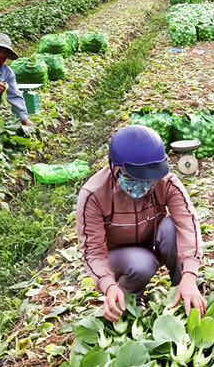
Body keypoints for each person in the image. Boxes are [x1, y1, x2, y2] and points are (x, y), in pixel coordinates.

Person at [76, 125, 206, 321]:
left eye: (150, 179)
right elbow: (92, 250)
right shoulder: (93, 195)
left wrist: (190, 273)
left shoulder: (166, 182)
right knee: (141, 264)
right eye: (135, 178)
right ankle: (130, 299)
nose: (144, 185)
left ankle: (182, 289)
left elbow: (188, 224)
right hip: (121, 258)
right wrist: (108, 285)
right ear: (115, 168)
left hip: (153, 241)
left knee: (172, 228)